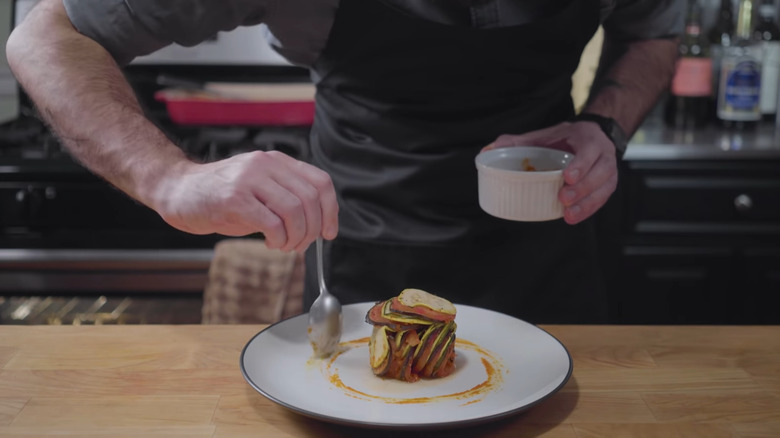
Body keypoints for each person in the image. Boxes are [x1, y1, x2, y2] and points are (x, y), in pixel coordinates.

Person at [7, 0, 682, 324]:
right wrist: (168, 177)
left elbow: (653, 32)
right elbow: (46, 37)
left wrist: (604, 125)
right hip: (365, 261)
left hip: (548, 255)